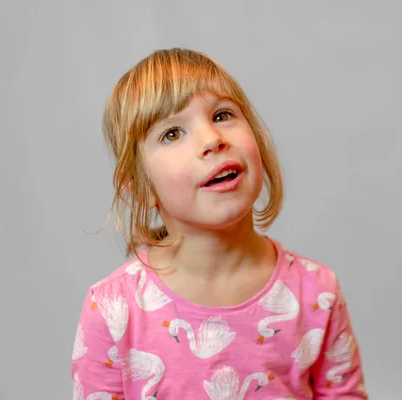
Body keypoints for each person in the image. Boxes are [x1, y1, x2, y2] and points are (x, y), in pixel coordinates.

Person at [71, 48, 368, 399]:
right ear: (142, 188)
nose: (212, 140)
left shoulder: (317, 293)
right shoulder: (114, 309)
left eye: (222, 114)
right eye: (172, 134)